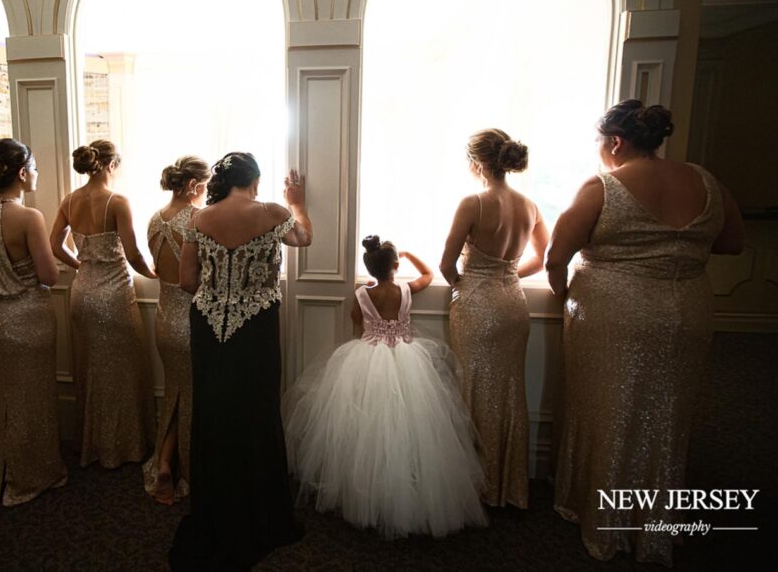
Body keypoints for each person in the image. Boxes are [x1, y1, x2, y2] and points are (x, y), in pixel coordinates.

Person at [546, 100, 744, 566]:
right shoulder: (705, 181)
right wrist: (678, 249)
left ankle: (603, 518)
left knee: (607, 410)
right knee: (667, 414)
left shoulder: (603, 186)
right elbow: (733, 243)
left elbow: (556, 257)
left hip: (614, 314)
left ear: (616, 142)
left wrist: (564, 293)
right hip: (688, 311)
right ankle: (654, 521)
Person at [284, 236, 487, 539]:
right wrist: (409, 253)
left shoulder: (362, 293)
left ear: (369, 267)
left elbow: (356, 320)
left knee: (367, 428)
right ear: (395, 265)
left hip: (369, 358)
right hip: (407, 359)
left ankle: (368, 492)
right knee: (410, 427)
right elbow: (428, 274)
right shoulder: (404, 289)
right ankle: (410, 487)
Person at [169, 153, 312, 570]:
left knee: (214, 413)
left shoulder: (199, 218)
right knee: (256, 411)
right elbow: (303, 238)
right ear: (255, 180)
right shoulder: (273, 213)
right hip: (255, 326)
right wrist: (298, 202)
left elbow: (186, 281)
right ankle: (259, 509)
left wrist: (220, 292)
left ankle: (215, 508)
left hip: (209, 326)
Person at [439, 128, 548, 509]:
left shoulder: (473, 203)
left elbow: (446, 265)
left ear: (476, 163)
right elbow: (543, 258)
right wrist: (508, 274)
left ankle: (475, 488)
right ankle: (507, 486)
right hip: (514, 305)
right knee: (509, 392)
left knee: (472, 389)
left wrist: (466, 284)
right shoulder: (529, 205)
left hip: (477, 304)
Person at [0, 138, 67, 506]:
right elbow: (49, 276)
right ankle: (31, 474)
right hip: (27, 319)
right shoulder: (28, 217)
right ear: (22, 173)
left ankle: (1, 472)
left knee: (4, 395)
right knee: (32, 397)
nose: (36, 174)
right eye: (34, 168)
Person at [49, 139, 156, 469]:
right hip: (113, 295)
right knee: (122, 370)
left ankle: (93, 445)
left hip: (82, 292)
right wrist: (153, 274)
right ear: (111, 165)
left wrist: (81, 264)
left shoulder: (70, 200)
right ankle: (124, 446)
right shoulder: (117, 201)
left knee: (91, 369)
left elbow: (55, 245)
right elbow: (133, 253)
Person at [143, 156, 210, 504]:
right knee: (193, 396)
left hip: (164, 316)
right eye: (207, 185)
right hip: (191, 317)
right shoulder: (198, 219)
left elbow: (158, 268)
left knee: (175, 392)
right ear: (194, 185)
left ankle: (165, 461)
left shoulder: (154, 219)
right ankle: (188, 468)